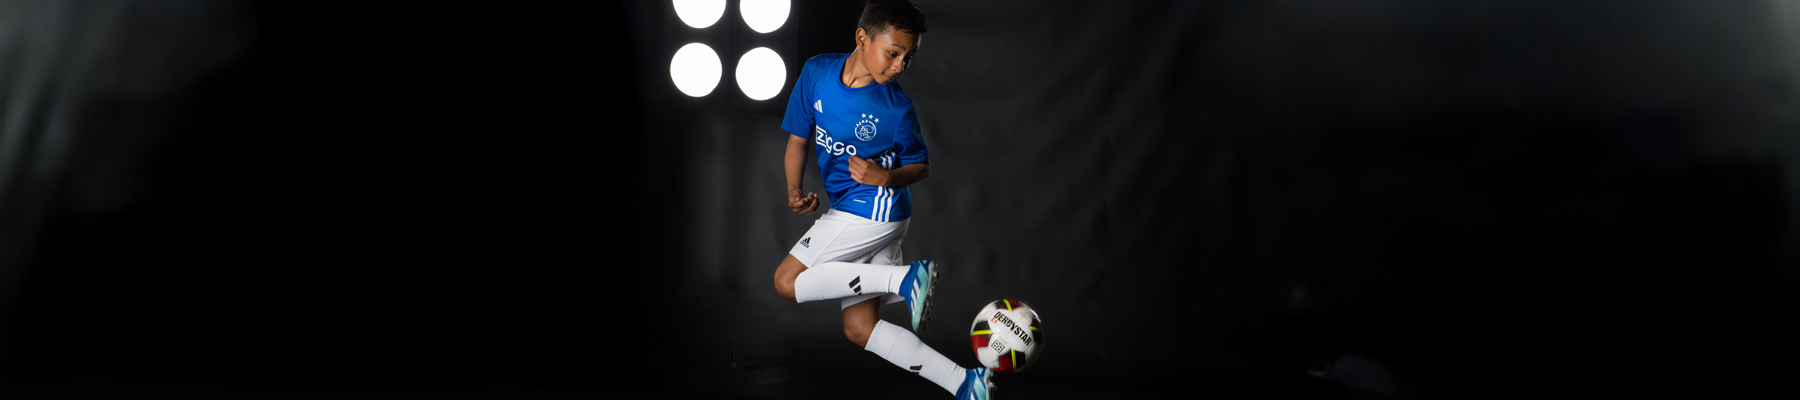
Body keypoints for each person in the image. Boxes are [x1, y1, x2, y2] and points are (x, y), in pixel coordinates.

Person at [769, 1, 991, 399]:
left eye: (909, 57)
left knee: (786, 282)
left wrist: (886, 176)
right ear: (862, 38)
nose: (900, 65)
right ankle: (966, 383)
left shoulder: (896, 108)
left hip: (876, 210)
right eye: (893, 53)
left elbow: (921, 165)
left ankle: (904, 280)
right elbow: (798, 140)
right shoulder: (816, 73)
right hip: (853, 208)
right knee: (860, 329)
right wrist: (793, 191)